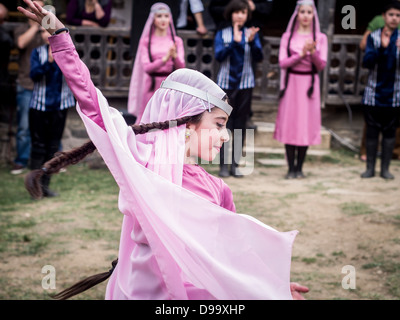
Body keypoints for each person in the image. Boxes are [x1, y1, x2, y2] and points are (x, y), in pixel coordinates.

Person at [19, 0, 309, 300]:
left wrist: (268, 287)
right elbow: (92, 102)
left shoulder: (219, 190)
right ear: (187, 125)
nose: (225, 137)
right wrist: (60, 35)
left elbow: (233, 253)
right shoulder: (141, 165)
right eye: (219, 124)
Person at [273, 0, 328, 179]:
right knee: (291, 124)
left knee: (305, 125)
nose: (305, 16)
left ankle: (299, 168)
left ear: (313, 15)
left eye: (309, 12)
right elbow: (282, 63)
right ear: (297, 14)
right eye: (302, 12)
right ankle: (290, 169)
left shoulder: (320, 38)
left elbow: (321, 65)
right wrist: (301, 54)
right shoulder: (287, 37)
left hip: (309, 86)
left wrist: (312, 53)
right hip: (291, 84)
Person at [214, 0, 263, 178]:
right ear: (230, 14)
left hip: (245, 85)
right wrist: (234, 43)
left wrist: (251, 42)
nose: (240, 15)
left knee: (240, 126)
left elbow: (259, 56)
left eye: (243, 12)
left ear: (247, 15)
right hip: (225, 86)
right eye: (236, 12)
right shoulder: (222, 34)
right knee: (223, 125)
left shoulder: (252, 34)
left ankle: (235, 164)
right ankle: (223, 165)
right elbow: (219, 56)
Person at [27, 26, 75, 198]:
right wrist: (48, 62)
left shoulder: (66, 52)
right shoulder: (36, 52)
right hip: (39, 107)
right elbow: (34, 75)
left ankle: (45, 187)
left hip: (60, 107)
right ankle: (34, 188)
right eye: (41, 31)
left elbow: (75, 74)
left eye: (49, 30)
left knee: (53, 148)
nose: (46, 34)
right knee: (38, 148)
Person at [127, 3, 185, 124]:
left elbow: (182, 67)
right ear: (153, 19)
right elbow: (147, 67)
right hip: (151, 85)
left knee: (168, 119)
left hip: (170, 85)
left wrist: (174, 57)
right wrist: (165, 59)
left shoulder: (176, 41)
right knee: (148, 119)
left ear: (170, 19)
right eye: (159, 16)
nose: (163, 19)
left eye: (166, 16)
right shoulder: (146, 41)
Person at [361, 1, 400, 180]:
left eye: (398, 15)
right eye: (391, 14)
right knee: (372, 131)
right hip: (373, 94)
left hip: (395, 95)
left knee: (390, 132)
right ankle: (370, 168)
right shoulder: (374, 37)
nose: (394, 18)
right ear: (384, 16)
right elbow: (367, 62)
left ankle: (385, 169)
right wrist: (382, 49)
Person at [10, 0, 45, 175]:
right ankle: (21, 161)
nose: (35, 10)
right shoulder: (22, 29)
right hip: (26, 84)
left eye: (38, 7)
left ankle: (50, 160)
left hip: (45, 87)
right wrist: (35, 25)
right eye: (32, 7)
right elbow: (21, 44)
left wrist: (44, 26)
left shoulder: (47, 27)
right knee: (24, 127)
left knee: (46, 126)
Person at [209, 0, 274, 30]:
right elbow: (213, 8)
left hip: (252, 29)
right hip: (226, 28)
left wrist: (255, 6)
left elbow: (269, 8)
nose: (240, 16)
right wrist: (231, 8)